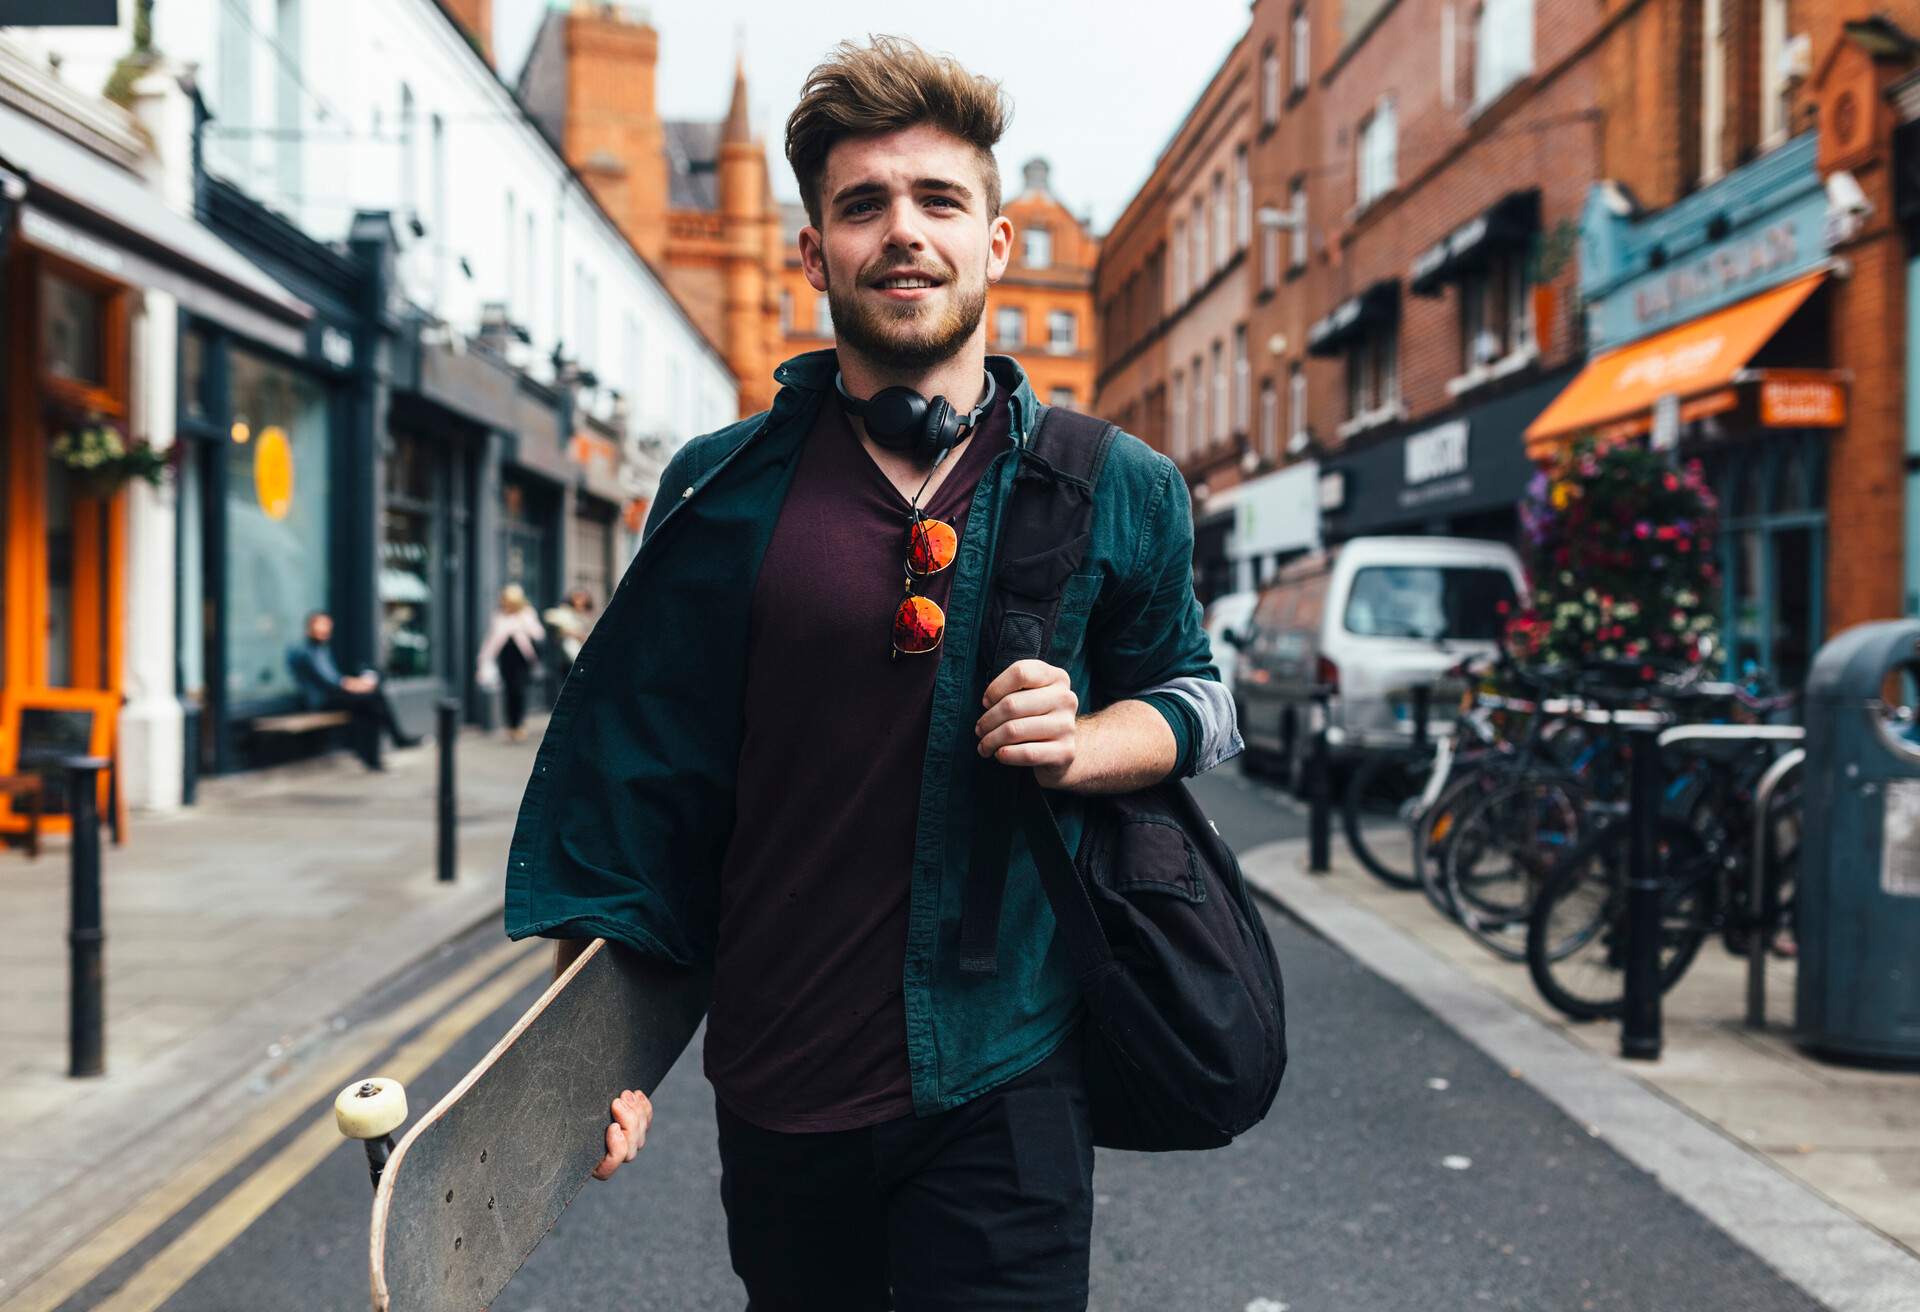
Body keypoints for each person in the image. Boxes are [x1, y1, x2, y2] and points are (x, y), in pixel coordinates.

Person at [503, 36, 1236, 1311]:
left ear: (994, 244)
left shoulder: (1117, 483)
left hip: (1007, 1075)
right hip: (783, 1087)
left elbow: (1199, 693)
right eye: (863, 205)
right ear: (814, 253)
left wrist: (1087, 742)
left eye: (940, 200)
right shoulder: (721, 489)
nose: (904, 232)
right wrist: (593, 1059)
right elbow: (643, 792)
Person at [286, 611, 420, 767]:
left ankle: (373, 756)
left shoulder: (321, 649)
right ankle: (394, 741)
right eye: (321, 625)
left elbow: (334, 679)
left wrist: (357, 685)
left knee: (372, 706)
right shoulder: (307, 652)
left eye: (328, 626)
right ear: (310, 627)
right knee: (373, 700)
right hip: (321, 702)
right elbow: (329, 682)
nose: (325, 629)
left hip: (333, 696)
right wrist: (356, 685)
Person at [476, 584, 545, 742]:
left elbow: (538, 634)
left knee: (519, 691)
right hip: (506, 658)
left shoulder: (527, 614)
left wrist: (521, 625)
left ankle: (519, 724)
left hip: (522, 659)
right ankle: (511, 725)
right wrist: (484, 657)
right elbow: (493, 639)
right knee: (508, 692)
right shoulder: (499, 616)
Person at [540, 587, 596, 683]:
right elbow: (549, 617)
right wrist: (570, 632)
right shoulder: (565, 613)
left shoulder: (589, 616)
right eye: (577, 598)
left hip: (586, 658)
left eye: (582, 598)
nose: (579, 601)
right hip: (568, 659)